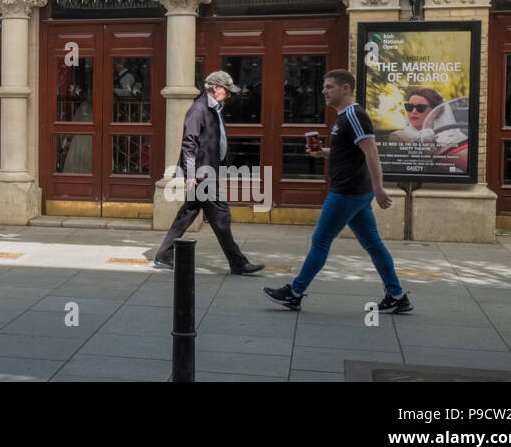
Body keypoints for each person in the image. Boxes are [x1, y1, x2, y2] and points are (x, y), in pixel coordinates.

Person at [264, 69, 412, 314]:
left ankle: (295, 293)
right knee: (373, 245)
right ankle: (397, 296)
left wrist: (379, 188)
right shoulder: (344, 117)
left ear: (345, 88)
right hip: (356, 192)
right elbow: (349, 152)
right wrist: (322, 152)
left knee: (321, 241)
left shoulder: (354, 114)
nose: (324, 91)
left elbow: (371, 152)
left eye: (329, 86)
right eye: (324, 86)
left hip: (347, 192)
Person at [152, 71, 264, 275]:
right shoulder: (198, 109)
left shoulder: (216, 108)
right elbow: (189, 143)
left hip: (209, 170)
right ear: (215, 89)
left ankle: (164, 254)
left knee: (187, 214)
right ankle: (238, 262)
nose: (229, 95)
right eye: (226, 91)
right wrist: (191, 174)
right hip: (202, 174)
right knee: (221, 216)